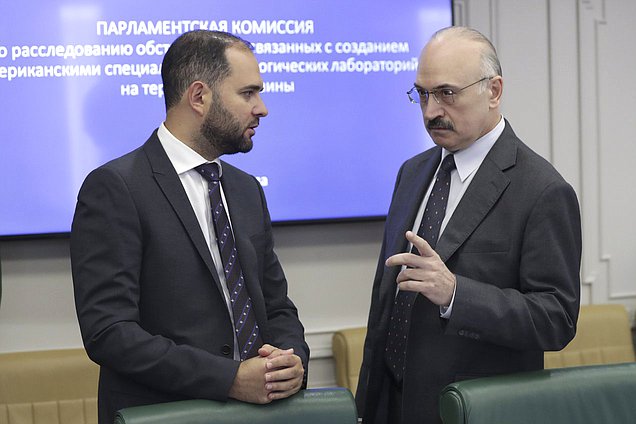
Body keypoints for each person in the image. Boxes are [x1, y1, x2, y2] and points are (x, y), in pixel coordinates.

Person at [71, 30, 309, 424]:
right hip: (167, 412)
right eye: (248, 93)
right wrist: (228, 378)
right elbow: (109, 332)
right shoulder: (116, 187)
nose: (262, 108)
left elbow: (276, 305)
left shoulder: (245, 188)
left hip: (263, 415)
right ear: (199, 97)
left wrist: (293, 360)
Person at [355, 26, 581, 424]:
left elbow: (555, 319)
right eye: (422, 94)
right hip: (389, 403)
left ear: (493, 91)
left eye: (446, 93)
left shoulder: (542, 190)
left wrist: (457, 294)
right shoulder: (412, 173)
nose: (430, 111)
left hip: (469, 410)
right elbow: (387, 302)